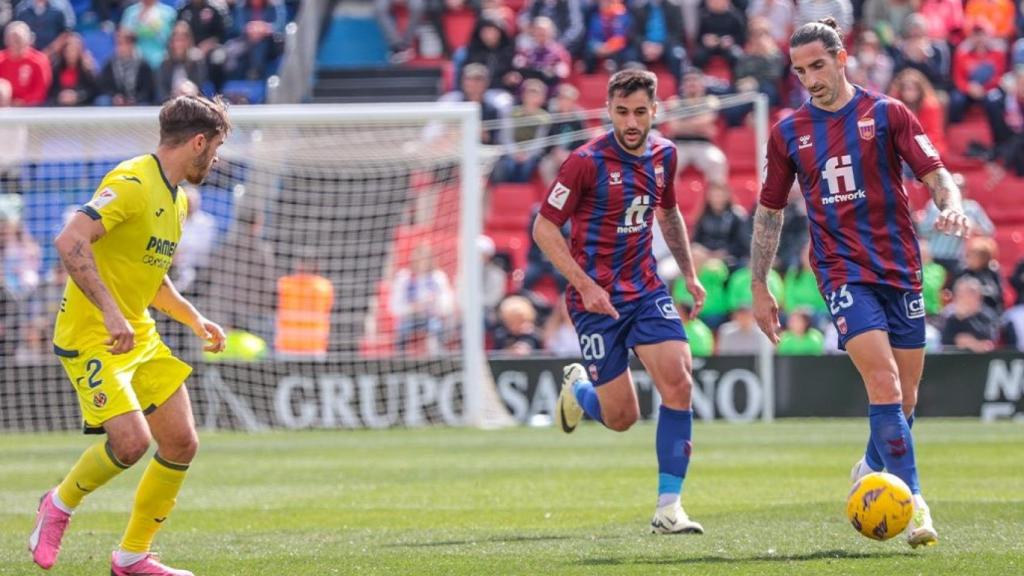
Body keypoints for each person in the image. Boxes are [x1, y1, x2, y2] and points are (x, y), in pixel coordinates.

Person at [751, 18, 970, 549]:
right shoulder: (788, 133)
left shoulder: (887, 112)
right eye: (800, 71)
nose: (810, 78)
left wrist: (954, 204)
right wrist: (760, 284)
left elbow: (935, 173)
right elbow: (769, 211)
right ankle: (915, 503)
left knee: (908, 396)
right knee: (886, 385)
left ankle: (872, 464)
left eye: (818, 66)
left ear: (842, 57)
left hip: (900, 267)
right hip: (842, 270)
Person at [28, 95, 230, 576]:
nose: (217, 158)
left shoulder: (177, 200)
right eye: (217, 147)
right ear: (198, 141)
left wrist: (194, 318)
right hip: (93, 335)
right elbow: (69, 240)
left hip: (137, 333)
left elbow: (151, 278)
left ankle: (132, 556)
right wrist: (112, 313)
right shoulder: (133, 180)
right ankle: (57, 504)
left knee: (181, 441)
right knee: (131, 442)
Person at [533, 69, 707, 535]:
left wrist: (688, 273)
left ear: (655, 110)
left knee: (680, 382)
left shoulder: (664, 155)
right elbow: (544, 228)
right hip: (597, 302)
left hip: (646, 289)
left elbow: (668, 213)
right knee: (622, 417)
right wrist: (585, 284)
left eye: (640, 112)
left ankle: (669, 506)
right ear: (609, 110)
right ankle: (579, 392)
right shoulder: (584, 162)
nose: (631, 122)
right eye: (622, 112)